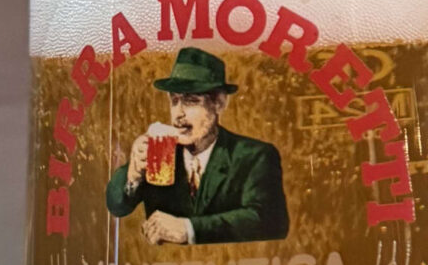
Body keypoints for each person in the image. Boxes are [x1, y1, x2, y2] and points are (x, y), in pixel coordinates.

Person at [104, 46, 289, 245]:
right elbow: (116, 206)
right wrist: (132, 176)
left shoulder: (254, 156)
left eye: (191, 101)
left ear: (219, 103)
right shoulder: (160, 152)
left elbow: (270, 221)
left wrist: (188, 229)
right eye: (174, 101)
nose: (178, 114)